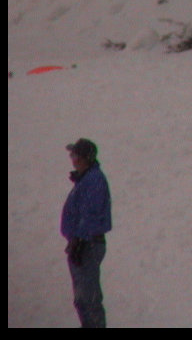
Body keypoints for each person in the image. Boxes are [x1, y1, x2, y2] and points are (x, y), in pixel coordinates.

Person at [60, 138, 112, 328]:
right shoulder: (86, 180)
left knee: (89, 298)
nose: (72, 160)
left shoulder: (94, 179)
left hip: (87, 245)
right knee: (82, 299)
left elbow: (92, 212)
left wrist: (80, 239)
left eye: (75, 156)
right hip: (81, 245)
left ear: (85, 158)